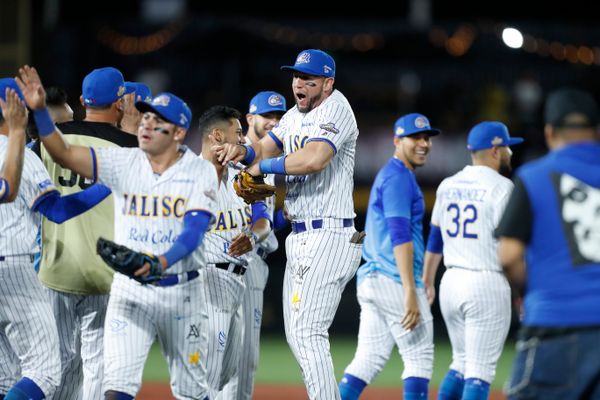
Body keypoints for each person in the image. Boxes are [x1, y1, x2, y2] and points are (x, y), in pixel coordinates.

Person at [16, 65, 218, 400]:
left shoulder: (199, 172)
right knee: (114, 385)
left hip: (181, 292)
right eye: (147, 118)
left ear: (179, 133)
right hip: (128, 290)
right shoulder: (125, 161)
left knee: (192, 392)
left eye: (158, 122)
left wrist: (162, 260)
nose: (148, 125)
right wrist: (38, 111)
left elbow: (194, 231)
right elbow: (63, 154)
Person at [215, 49, 362, 399]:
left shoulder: (336, 108)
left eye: (308, 79)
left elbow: (314, 159)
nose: (299, 83)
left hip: (330, 232)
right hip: (302, 235)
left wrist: (261, 167)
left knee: (308, 332)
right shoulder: (295, 115)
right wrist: (244, 153)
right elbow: (264, 147)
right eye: (296, 76)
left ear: (328, 84)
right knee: (299, 335)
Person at [0, 78, 112, 399]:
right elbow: (58, 211)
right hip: (15, 268)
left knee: (7, 377)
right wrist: (105, 186)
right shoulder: (18, 152)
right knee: (45, 372)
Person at [32, 67, 138, 400]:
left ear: (82, 100)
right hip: (104, 271)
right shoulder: (132, 148)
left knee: (58, 364)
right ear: (119, 103)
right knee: (98, 364)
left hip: (55, 267)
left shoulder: (51, 140)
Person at [497, 88, 600, 400]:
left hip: (555, 326)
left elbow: (508, 256)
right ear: (596, 131)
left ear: (550, 131)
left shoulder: (533, 176)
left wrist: (531, 290)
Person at [339, 113, 439, 400]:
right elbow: (400, 235)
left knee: (368, 359)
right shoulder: (397, 178)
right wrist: (410, 288)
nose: (423, 143)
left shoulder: (395, 176)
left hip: (373, 278)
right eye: (415, 137)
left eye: (427, 137)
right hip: (394, 278)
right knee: (419, 358)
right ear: (397, 141)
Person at [422, 121, 523, 400]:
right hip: (485, 282)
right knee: (479, 372)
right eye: (506, 147)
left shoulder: (448, 185)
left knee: (462, 363)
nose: (510, 153)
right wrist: (521, 292)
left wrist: (428, 279)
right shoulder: (503, 188)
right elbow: (510, 248)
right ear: (494, 150)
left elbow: (436, 238)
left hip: (451, 282)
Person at [196, 105, 272, 398]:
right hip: (206, 281)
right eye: (238, 133)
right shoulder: (187, 174)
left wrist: (254, 235)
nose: (242, 140)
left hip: (237, 285)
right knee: (207, 375)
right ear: (217, 135)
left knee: (226, 374)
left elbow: (263, 222)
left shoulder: (243, 174)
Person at [220, 91, 286, 400]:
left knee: (245, 359)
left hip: (255, 261)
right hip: (220, 258)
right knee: (220, 353)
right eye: (267, 116)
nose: (273, 122)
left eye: (278, 117)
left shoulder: (271, 162)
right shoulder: (232, 154)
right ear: (249, 119)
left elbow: (265, 217)